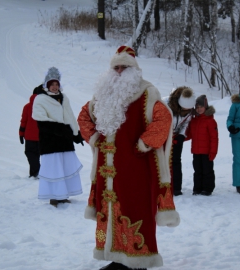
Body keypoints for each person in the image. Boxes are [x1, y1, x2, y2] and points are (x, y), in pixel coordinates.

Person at [77, 46, 180, 270]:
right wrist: (95, 138)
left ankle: (138, 261)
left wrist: (144, 143)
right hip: (108, 171)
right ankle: (116, 258)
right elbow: (84, 117)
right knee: (110, 211)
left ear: (134, 69)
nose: (120, 71)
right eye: (117, 67)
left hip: (137, 169)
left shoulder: (147, 93)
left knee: (136, 210)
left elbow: (163, 120)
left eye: (125, 67)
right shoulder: (101, 95)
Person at [32, 67, 84, 207]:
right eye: (52, 84)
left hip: (65, 140)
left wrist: (76, 134)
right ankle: (54, 197)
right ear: (47, 85)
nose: (55, 87)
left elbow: (70, 116)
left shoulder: (63, 97)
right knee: (54, 169)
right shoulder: (40, 99)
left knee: (65, 167)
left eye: (56, 84)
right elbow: (40, 121)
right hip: (50, 142)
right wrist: (59, 128)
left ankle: (63, 195)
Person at [164, 86, 196, 196]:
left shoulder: (189, 111)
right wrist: (167, 135)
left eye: (188, 109)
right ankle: (164, 186)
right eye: (184, 108)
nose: (186, 111)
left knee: (176, 161)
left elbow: (186, 123)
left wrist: (182, 135)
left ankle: (176, 187)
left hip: (177, 137)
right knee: (163, 162)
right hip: (164, 137)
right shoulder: (166, 105)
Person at [186, 95, 218, 196]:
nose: (199, 109)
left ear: (206, 107)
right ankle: (197, 188)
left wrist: (213, 152)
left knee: (207, 171)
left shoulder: (211, 121)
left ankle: (207, 188)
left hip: (207, 152)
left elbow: (214, 139)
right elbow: (189, 134)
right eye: (197, 107)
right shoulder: (194, 121)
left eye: (201, 107)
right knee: (197, 170)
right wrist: (179, 138)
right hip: (196, 151)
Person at [19, 85, 44, 178]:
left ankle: (36, 172)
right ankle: (34, 174)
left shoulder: (27, 106)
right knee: (37, 154)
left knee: (31, 154)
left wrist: (21, 134)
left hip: (29, 136)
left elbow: (23, 121)